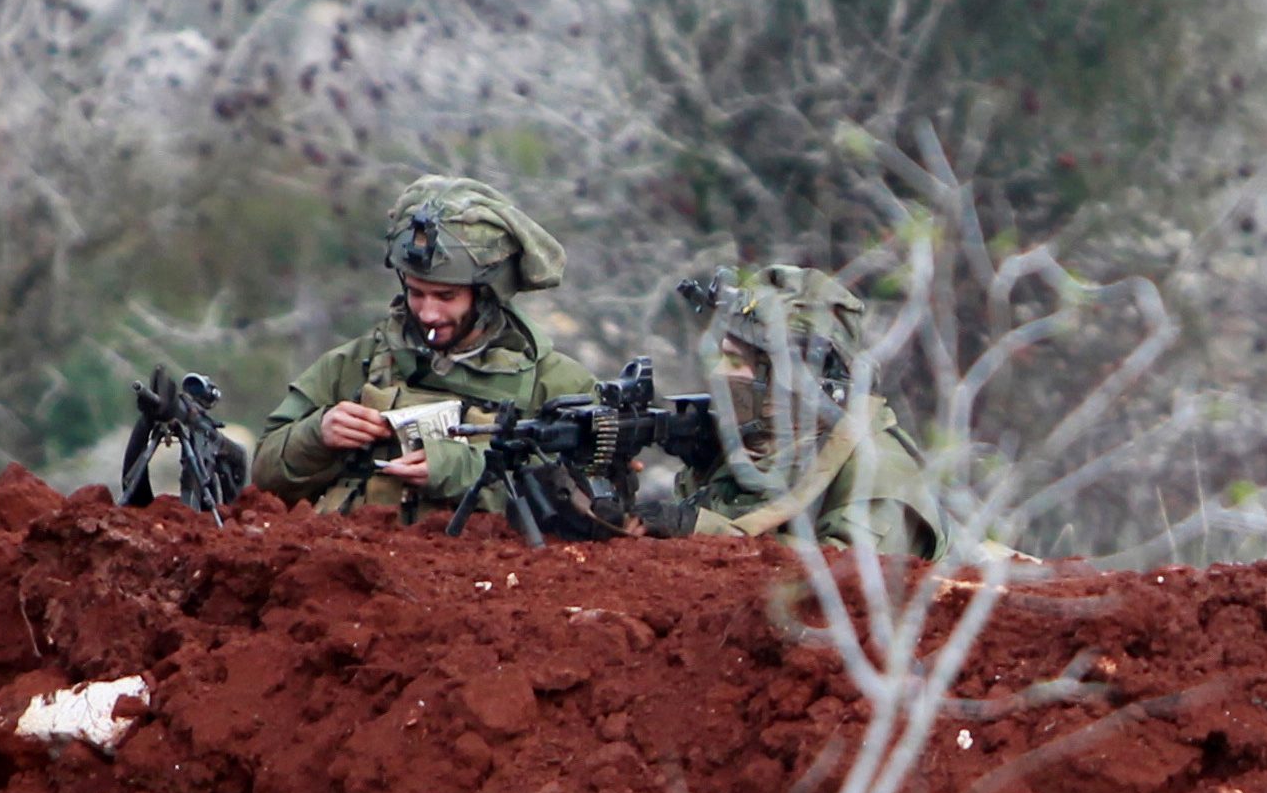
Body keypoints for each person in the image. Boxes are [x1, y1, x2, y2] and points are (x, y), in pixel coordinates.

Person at [250, 176, 596, 519]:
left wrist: (468, 469)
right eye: (417, 292)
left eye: (447, 296)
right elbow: (264, 476)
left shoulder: (557, 385)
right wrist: (318, 434)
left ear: (488, 294)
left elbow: (595, 504)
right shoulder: (355, 363)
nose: (429, 313)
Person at [675, 264, 938, 555]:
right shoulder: (755, 448)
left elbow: (840, 584)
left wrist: (698, 529)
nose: (719, 373)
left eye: (735, 361)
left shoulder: (880, 476)